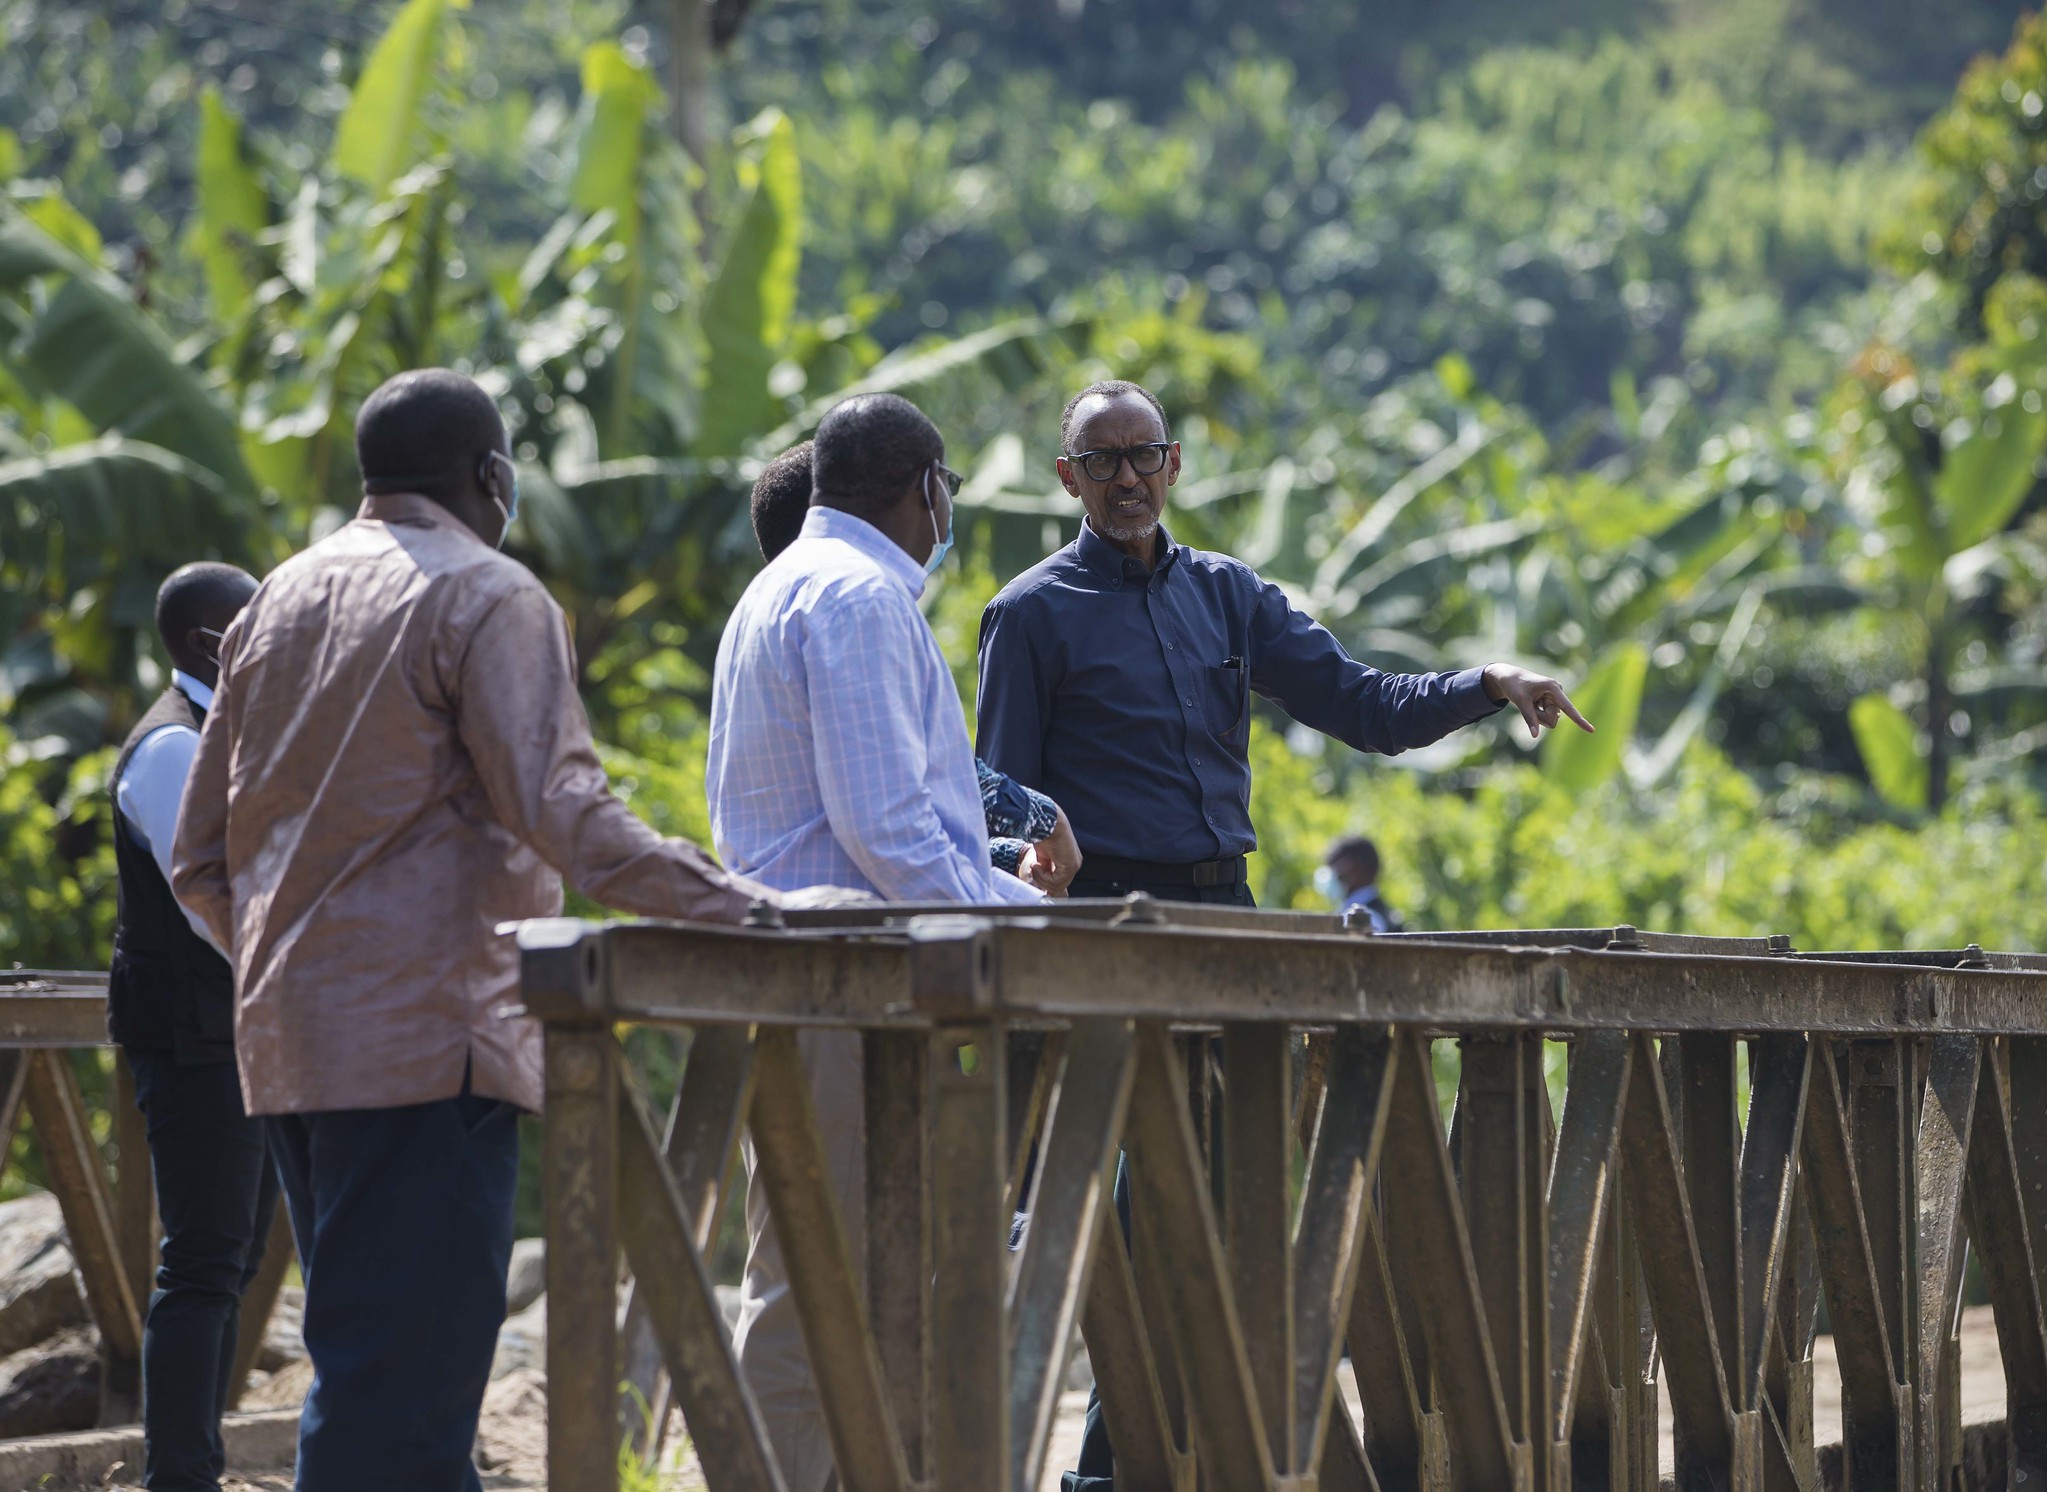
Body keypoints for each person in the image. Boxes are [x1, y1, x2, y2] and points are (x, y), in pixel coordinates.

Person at [976, 378, 1592, 1491]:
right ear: (1065, 478)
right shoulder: (1030, 613)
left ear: (1172, 467)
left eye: (1143, 454)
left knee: (1213, 1198)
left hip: (1230, 919)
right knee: (1149, 1199)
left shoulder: (1229, 596)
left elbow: (1361, 704)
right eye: (1101, 460)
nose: (1126, 477)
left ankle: (1130, 1465)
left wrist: (1486, 683)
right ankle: (1103, 1469)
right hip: (1110, 923)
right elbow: (998, 799)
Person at [171, 368, 781, 1491]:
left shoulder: (273, 602)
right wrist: (747, 910)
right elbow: (569, 819)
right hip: (428, 1046)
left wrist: (294, 969)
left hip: (293, 1046)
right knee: (397, 1402)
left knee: (380, 1372)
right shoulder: (487, 595)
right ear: (491, 477)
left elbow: (199, 860)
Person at [709, 394, 1044, 1492]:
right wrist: (1026, 928)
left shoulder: (779, 590)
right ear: (927, 490)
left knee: (817, 1274)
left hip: (807, 972)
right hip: (851, 981)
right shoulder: (857, 597)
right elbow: (886, 829)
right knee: (823, 1286)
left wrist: (996, 891)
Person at [110, 561, 278, 1492]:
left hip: (236, 1030)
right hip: (192, 1033)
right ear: (209, 643)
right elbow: (213, 903)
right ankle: (179, 1475)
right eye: (256, 623)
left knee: (236, 1259)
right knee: (205, 1262)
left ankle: (194, 1463)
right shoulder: (172, 748)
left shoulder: (226, 733)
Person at [747, 439, 1083, 894]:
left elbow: (889, 796)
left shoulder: (766, 604)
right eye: (944, 484)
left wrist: (1011, 853)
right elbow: (902, 784)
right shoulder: (854, 599)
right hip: (850, 915)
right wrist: (1045, 820)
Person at [1318, 834, 1404, 931]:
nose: (1331, 876)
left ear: (1354, 869)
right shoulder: (1382, 912)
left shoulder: (1368, 919)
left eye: (1334, 868)